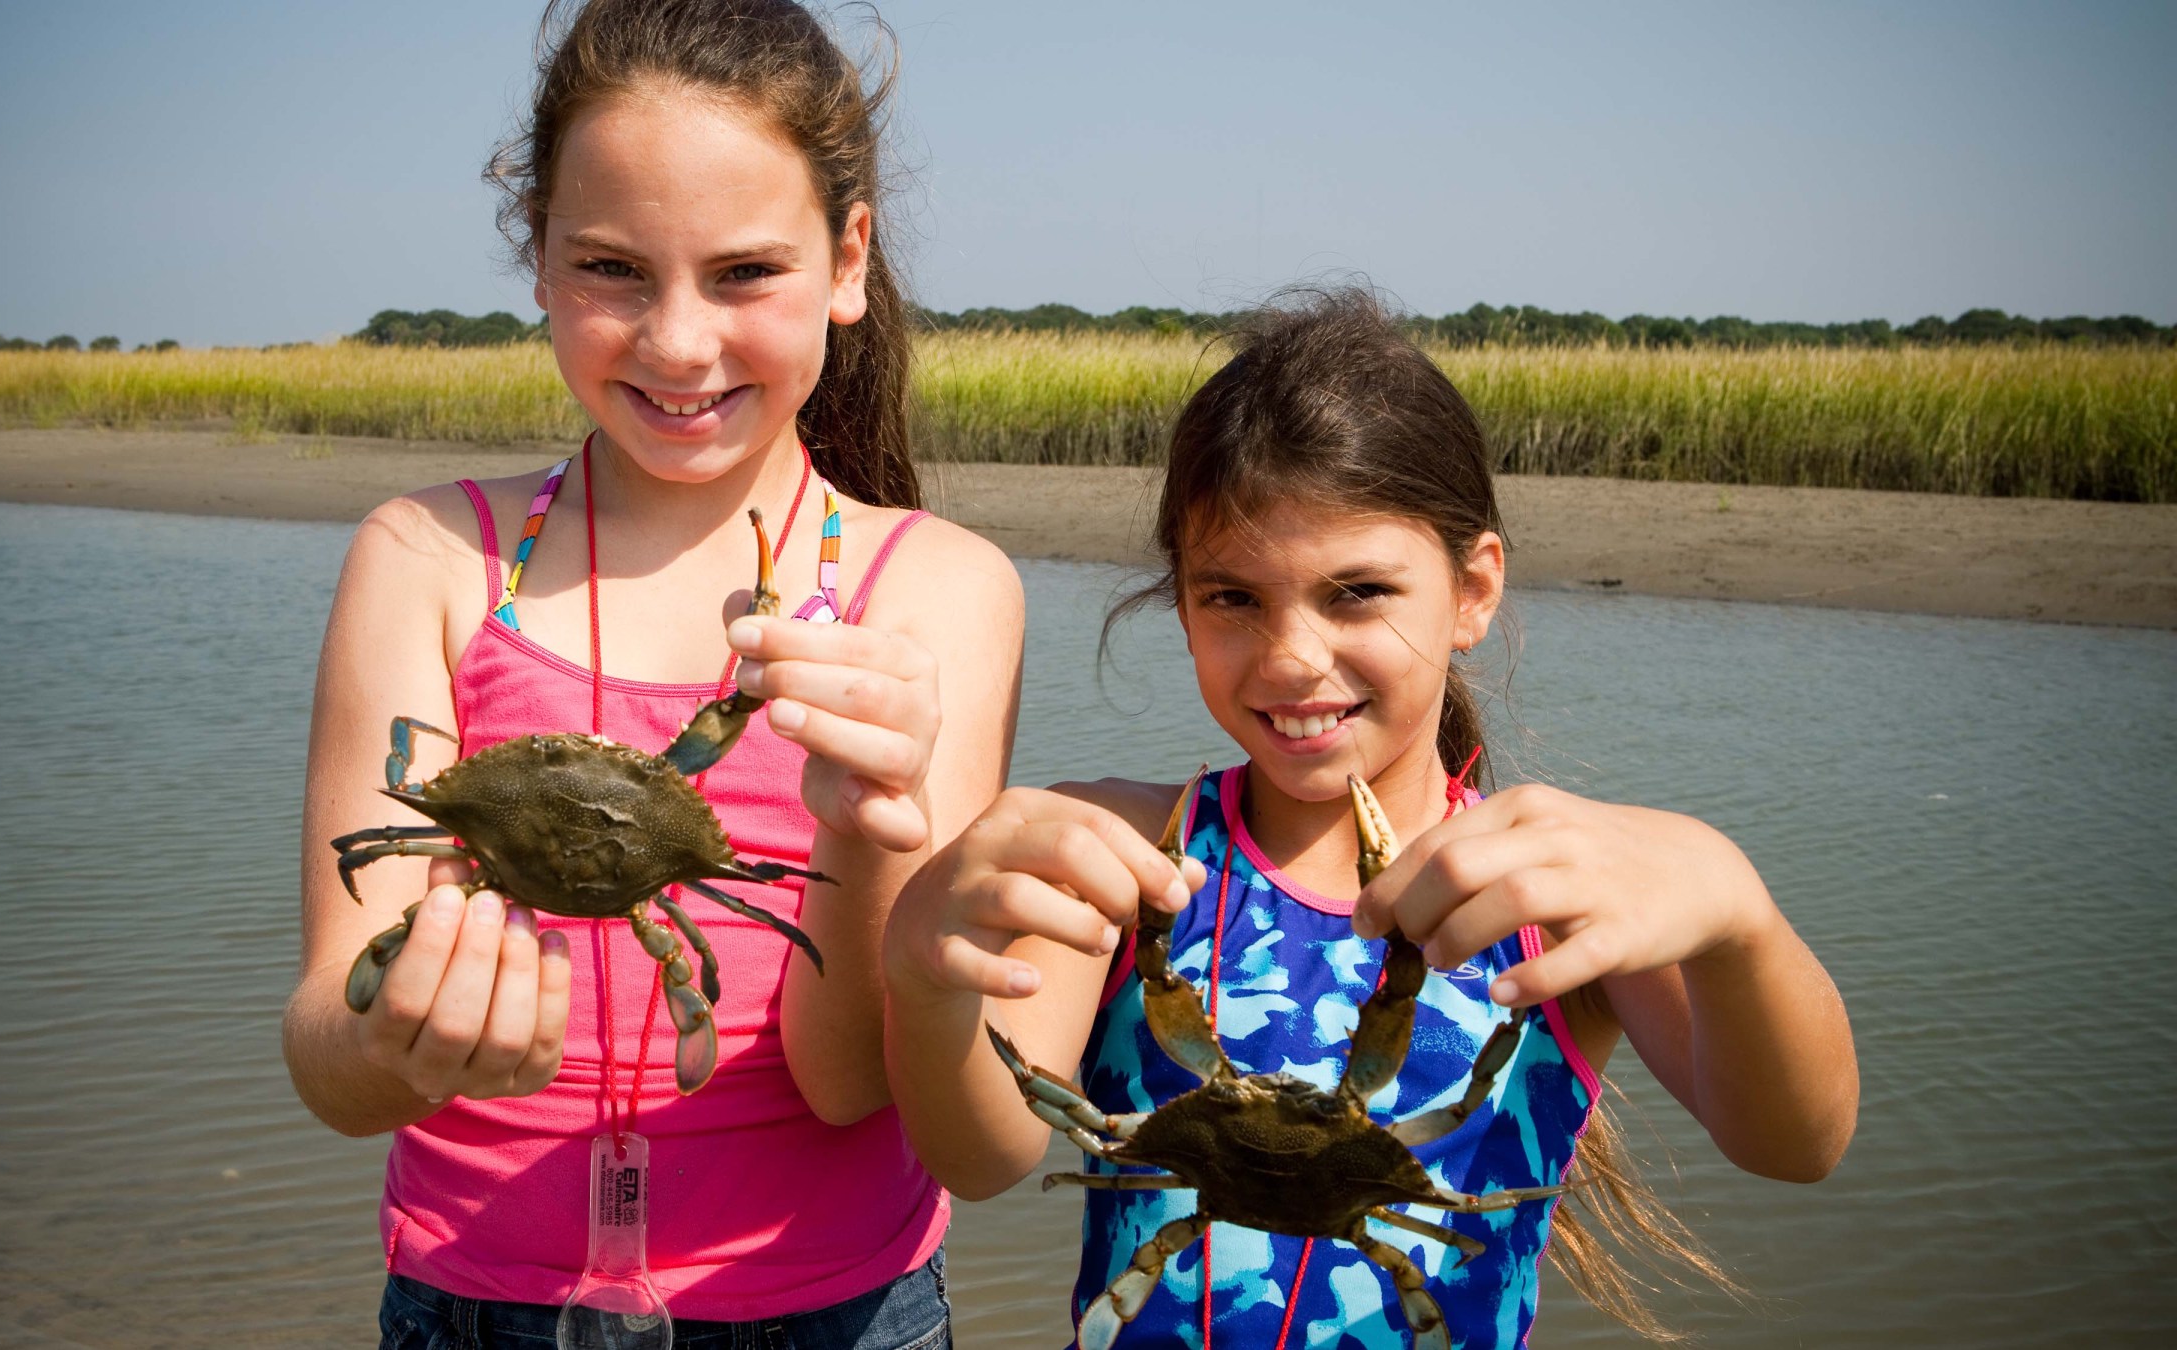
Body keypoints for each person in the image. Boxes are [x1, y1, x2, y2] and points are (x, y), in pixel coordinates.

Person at [882, 289, 1858, 1348]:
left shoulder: (1549, 895)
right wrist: (923, 974)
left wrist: (1737, 922)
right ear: (1180, 600)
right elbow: (981, 1160)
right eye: (1232, 598)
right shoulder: (1125, 859)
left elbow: (1793, 1145)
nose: (1295, 656)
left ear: (1473, 590)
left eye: (1356, 593)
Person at [281, 1, 1021, 1344]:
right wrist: (398, 1031)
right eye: (613, 268)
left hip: (833, 1306)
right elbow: (331, 1060)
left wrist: (865, 826)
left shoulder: (934, 598)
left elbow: (852, 1082)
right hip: (473, 1298)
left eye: (745, 272)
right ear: (541, 266)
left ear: (848, 261)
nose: (680, 343)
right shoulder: (429, 559)